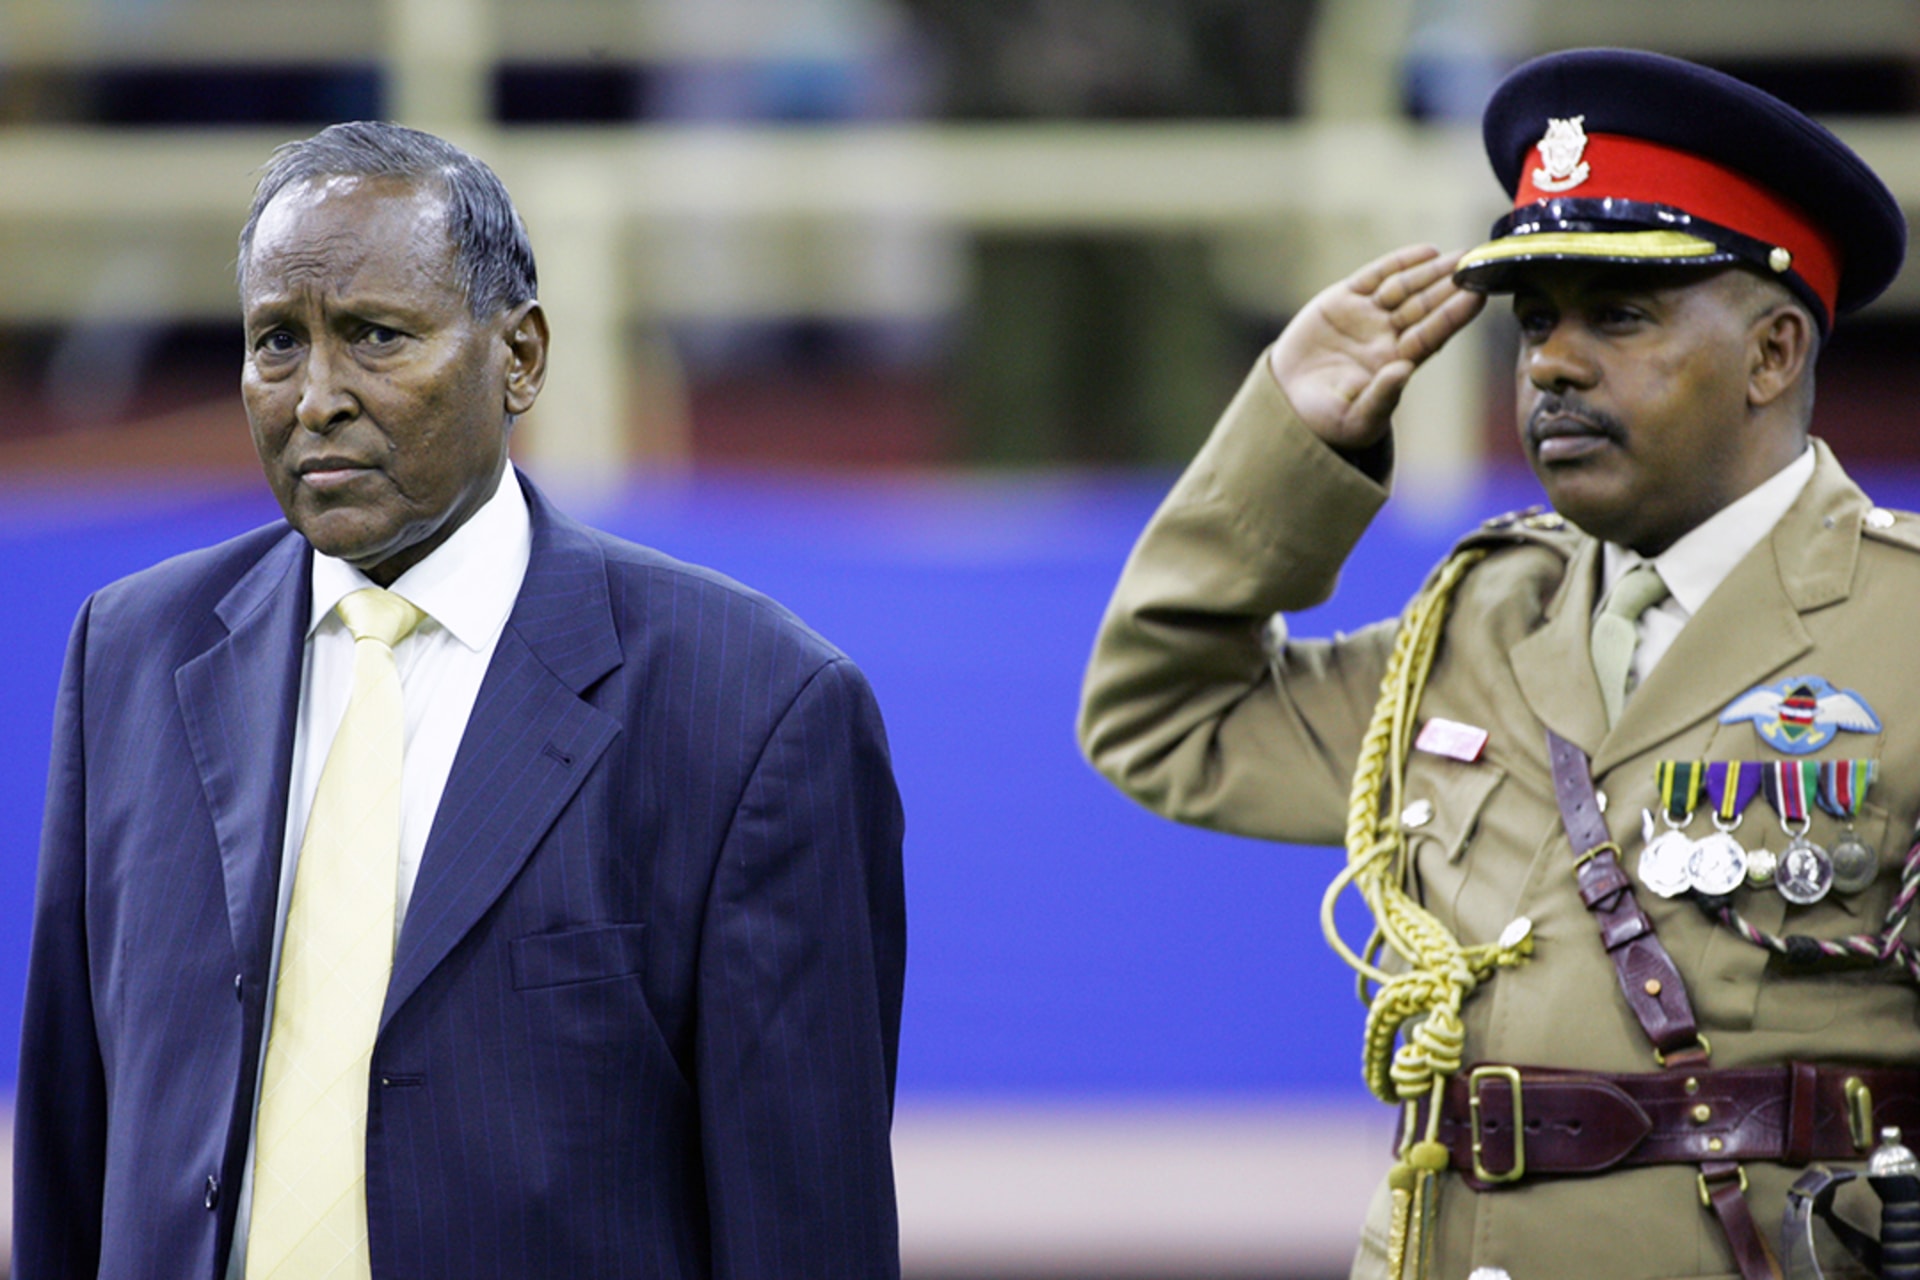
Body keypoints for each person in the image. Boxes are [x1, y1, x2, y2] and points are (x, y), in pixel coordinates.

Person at [1080, 48, 1918, 1280]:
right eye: (1535, 321)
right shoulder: (1479, 616)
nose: (1551, 364)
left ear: (1774, 353)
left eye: (1618, 315)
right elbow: (1164, 716)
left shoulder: (1899, 624)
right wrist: (1285, 439)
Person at [15, 121, 907, 1279]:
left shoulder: (757, 707)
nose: (316, 396)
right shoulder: (127, 655)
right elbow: (70, 1154)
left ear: (520, 355)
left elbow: (806, 1226)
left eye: (377, 335)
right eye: (275, 342)